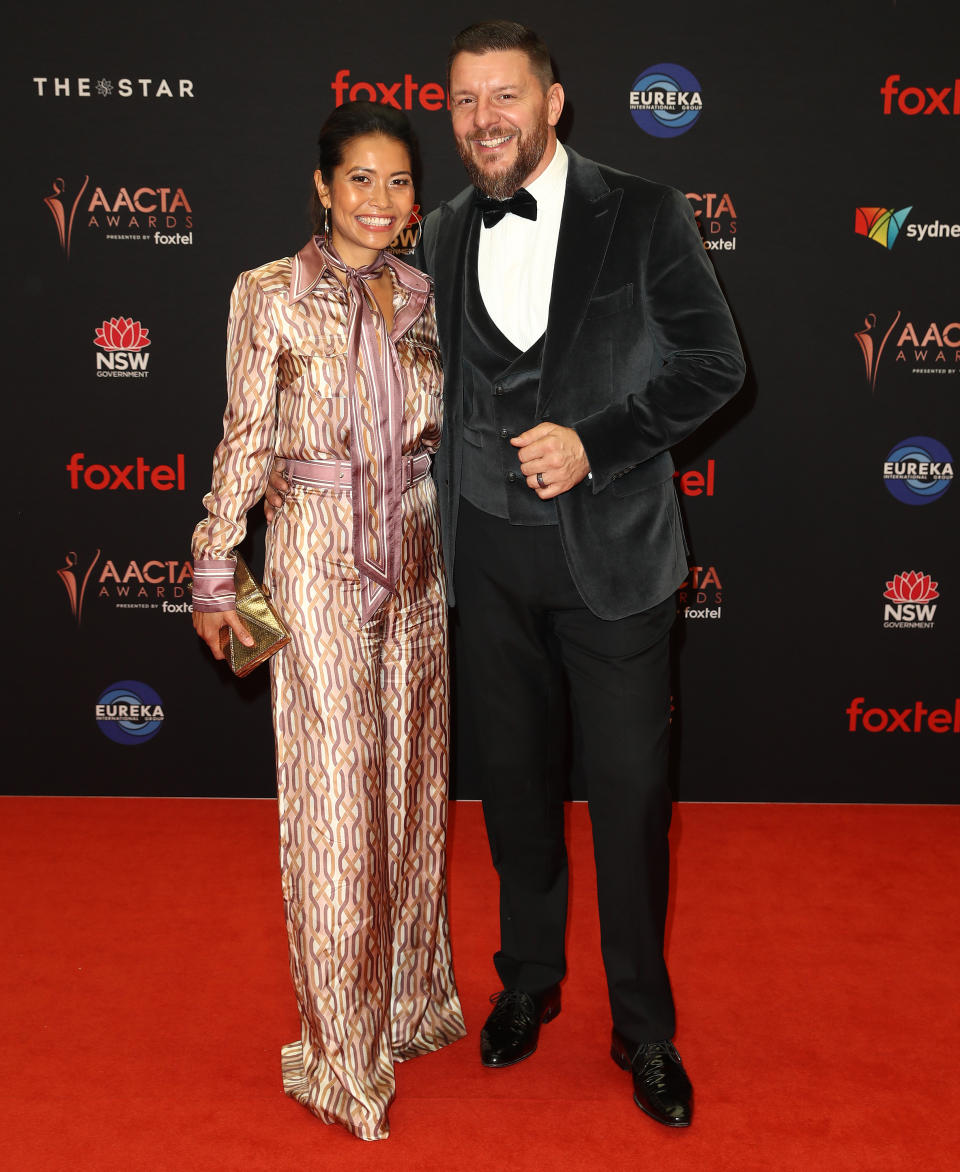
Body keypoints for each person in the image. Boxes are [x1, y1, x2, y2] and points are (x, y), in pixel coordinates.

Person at [268, 21, 744, 1129]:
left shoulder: (645, 211)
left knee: (627, 805)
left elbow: (716, 362)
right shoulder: (434, 230)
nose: (484, 118)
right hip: (480, 563)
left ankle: (643, 1029)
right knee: (518, 796)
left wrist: (600, 437)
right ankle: (526, 981)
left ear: (554, 102)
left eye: (506, 97)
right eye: (467, 100)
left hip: (615, 561)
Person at [191, 101, 465, 1142]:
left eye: (399, 183)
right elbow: (243, 439)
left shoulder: (424, 295)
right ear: (322, 186)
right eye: (360, 179)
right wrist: (218, 570)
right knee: (338, 810)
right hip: (311, 565)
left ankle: (407, 1002)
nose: (380, 202)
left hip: (419, 563)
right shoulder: (268, 294)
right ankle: (342, 1053)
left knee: (411, 793)